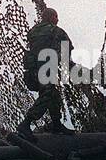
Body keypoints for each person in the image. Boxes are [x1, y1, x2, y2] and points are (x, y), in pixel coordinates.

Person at [20, 7, 74, 136]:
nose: (58, 19)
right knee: (47, 95)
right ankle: (26, 123)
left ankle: (56, 124)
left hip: (31, 72)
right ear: (51, 17)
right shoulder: (56, 31)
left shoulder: (32, 32)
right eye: (56, 16)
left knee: (53, 95)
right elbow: (66, 50)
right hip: (45, 69)